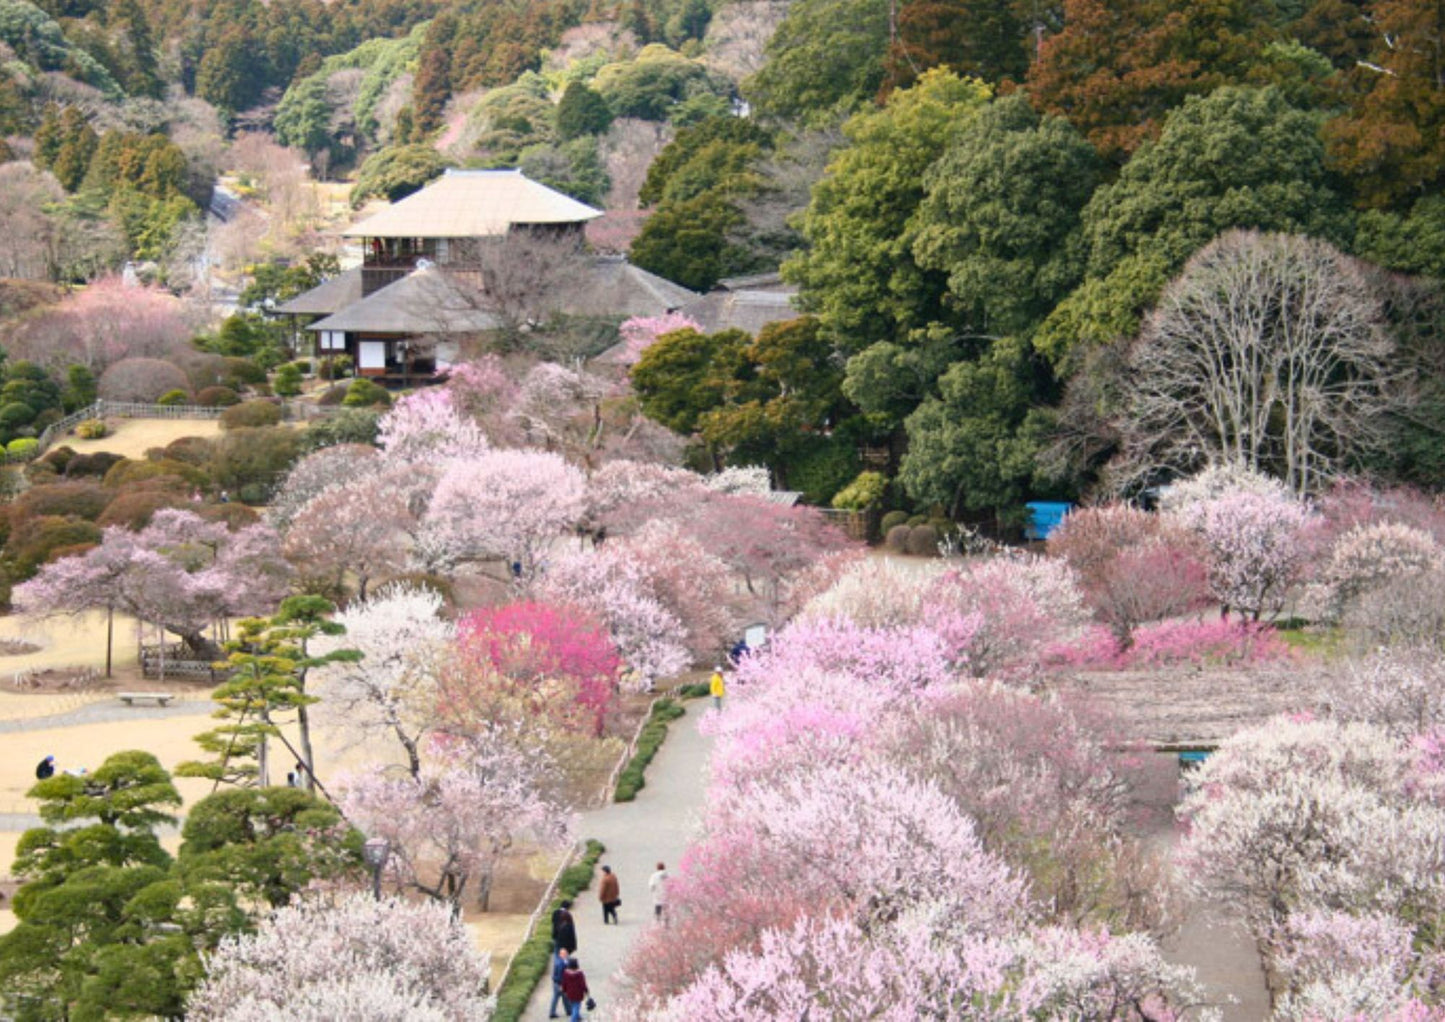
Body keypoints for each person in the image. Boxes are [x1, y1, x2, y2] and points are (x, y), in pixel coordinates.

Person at [561, 957, 589, 1022]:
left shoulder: (566, 973)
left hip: (569, 993)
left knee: (573, 1005)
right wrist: (586, 990)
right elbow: (583, 984)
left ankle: (578, 1016)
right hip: (578, 993)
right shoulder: (579, 974)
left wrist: (564, 990)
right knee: (576, 1007)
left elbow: (564, 983)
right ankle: (573, 1020)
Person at [547, 945, 571, 1018]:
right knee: (561, 997)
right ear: (561, 954)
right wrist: (562, 984)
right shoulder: (561, 963)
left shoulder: (559, 961)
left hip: (556, 982)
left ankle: (568, 1010)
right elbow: (561, 974)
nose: (566, 955)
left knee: (561, 997)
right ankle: (554, 1012)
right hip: (559, 983)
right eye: (564, 954)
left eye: (566, 954)